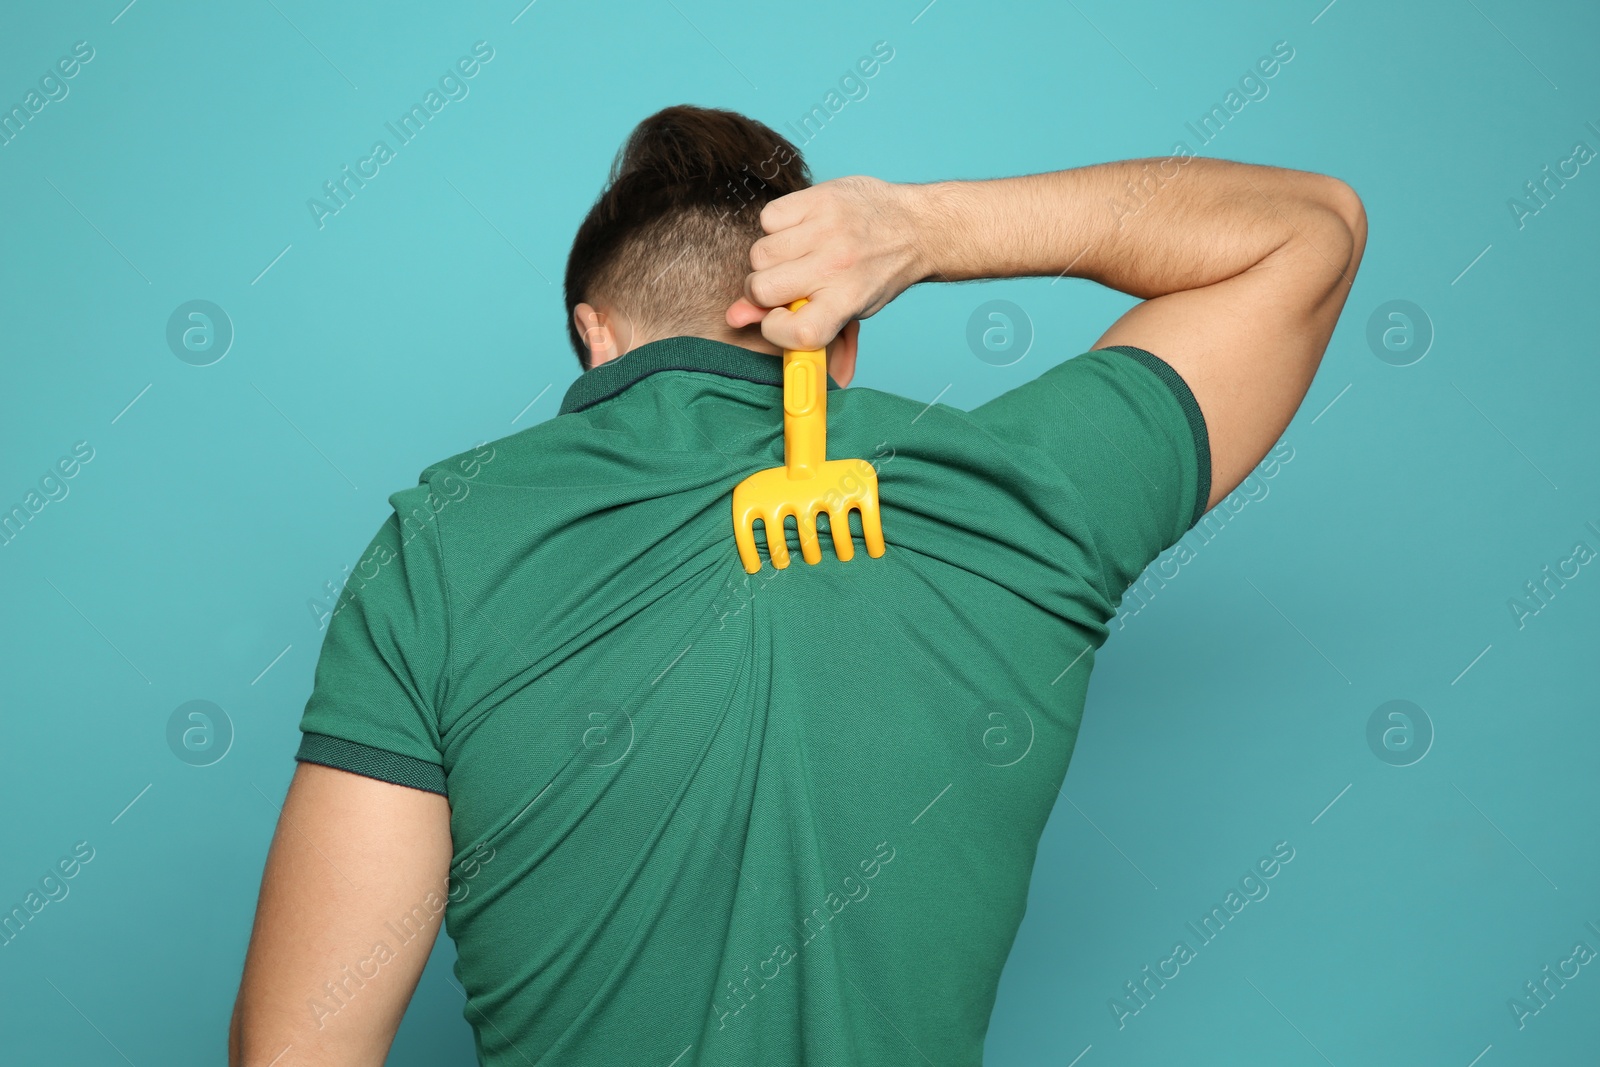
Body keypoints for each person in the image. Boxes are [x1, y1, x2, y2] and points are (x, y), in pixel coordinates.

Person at [229, 105, 1365, 1065]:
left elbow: (298, 1049)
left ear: (594, 335)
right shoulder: (1014, 493)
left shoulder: (440, 546)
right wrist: (929, 228)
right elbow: (1308, 232)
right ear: (841, 339)